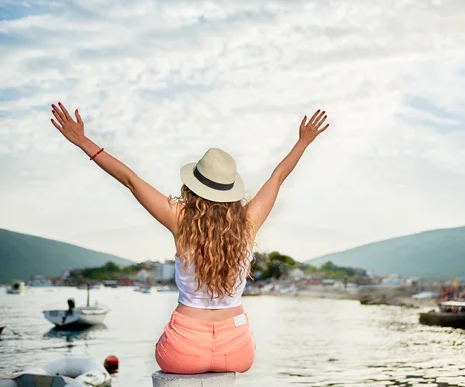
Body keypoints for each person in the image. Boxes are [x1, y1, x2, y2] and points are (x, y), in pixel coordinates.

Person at [50, 102, 330, 374]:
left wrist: (84, 142)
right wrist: (303, 142)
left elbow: (130, 180)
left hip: (184, 347)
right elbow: (278, 176)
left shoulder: (181, 219)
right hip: (236, 351)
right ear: (230, 190)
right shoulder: (247, 222)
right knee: (242, 345)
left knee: (163, 349)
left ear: (193, 187)